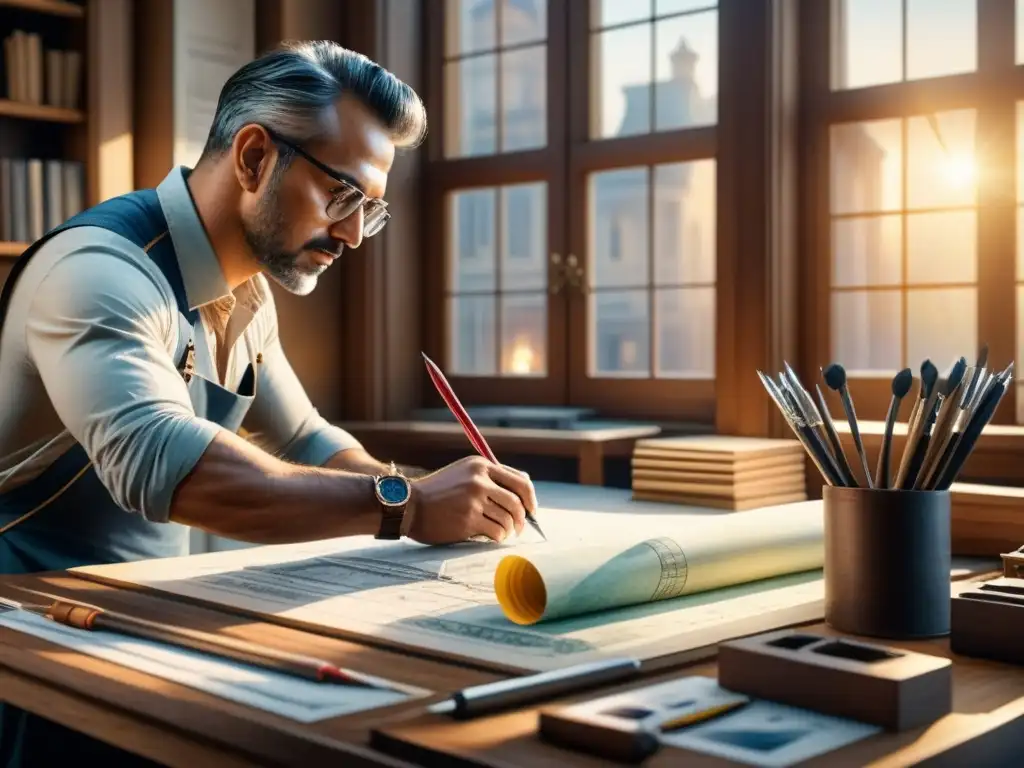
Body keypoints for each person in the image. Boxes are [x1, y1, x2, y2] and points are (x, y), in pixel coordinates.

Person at [0, 41, 538, 766]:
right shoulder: (98, 272)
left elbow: (308, 438)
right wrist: (403, 504)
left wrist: (436, 504)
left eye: (369, 212)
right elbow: (168, 466)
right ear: (254, 157)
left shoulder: (246, 292)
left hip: (137, 628)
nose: (352, 234)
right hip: (31, 653)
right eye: (342, 197)